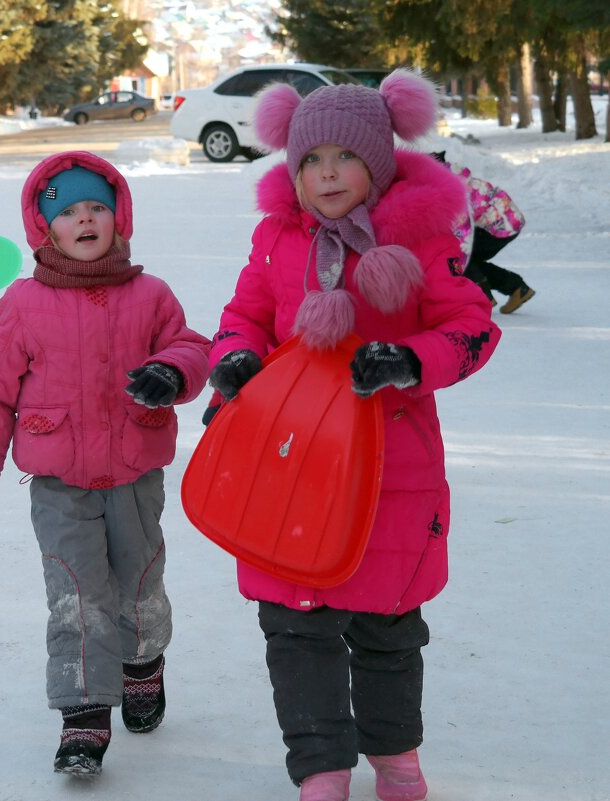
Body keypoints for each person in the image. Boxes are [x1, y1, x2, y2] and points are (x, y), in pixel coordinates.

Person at [206, 72, 501, 801]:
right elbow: (242, 315)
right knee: (295, 627)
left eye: (344, 156)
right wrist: (234, 360)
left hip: (389, 471)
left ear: (380, 159)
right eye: (310, 159)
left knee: (387, 625)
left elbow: (471, 329)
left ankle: (395, 755)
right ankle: (320, 766)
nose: (326, 172)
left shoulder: (423, 240)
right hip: (288, 462)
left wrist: (407, 360)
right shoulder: (276, 238)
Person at [0, 151, 210, 776]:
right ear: (44, 228)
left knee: (140, 583)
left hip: (134, 472)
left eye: (97, 207)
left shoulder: (151, 294)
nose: (85, 219)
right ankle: (84, 717)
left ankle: (143, 661)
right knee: (75, 591)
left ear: (119, 217)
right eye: (67, 211)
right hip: (59, 480)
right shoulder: (24, 302)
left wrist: (168, 372)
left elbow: (191, 348)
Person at [431, 151, 535, 313]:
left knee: (456, 257)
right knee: (469, 260)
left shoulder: (452, 190)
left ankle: (482, 296)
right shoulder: (452, 179)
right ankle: (517, 288)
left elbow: (462, 234)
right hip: (506, 220)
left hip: (500, 225)